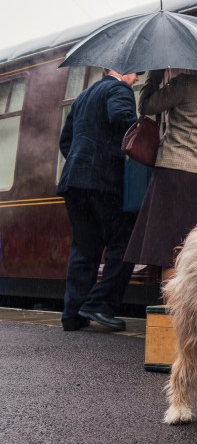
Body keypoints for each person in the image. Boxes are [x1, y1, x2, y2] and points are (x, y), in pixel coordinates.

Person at [123, 70, 197, 282]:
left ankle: (172, 312)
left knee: (171, 250)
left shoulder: (184, 84)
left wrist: (154, 78)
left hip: (175, 175)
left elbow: (147, 107)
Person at [58, 69, 139, 332]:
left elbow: (65, 140)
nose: (136, 78)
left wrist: (81, 161)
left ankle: (72, 315)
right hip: (104, 182)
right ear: (119, 69)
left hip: (74, 181)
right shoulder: (119, 90)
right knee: (124, 242)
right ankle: (101, 304)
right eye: (135, 72)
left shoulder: (83, 96)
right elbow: (123, 117)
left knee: (84, 248)